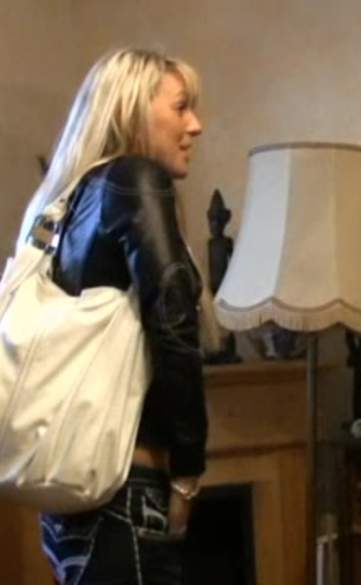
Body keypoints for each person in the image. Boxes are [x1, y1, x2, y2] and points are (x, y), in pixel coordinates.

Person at [18, 48, 219, 585]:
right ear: (132, 111)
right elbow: (174, 327)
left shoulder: (64, 203)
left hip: (70, 506)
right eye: (180, 107)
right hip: (127, 497)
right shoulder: (136, 179)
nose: (195, 125)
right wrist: (188, 473)